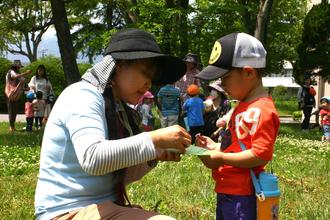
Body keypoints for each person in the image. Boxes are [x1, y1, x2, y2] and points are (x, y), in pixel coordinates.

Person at [34, 28, 191, 220]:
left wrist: (155, 154)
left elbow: (113, 176)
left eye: (152, 78)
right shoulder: (83, 95)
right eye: (145, 72)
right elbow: (93, 159)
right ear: (119, 66)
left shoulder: (118, 108)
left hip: (102, 207)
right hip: (65, 212)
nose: (149, 83)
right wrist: (153, 139)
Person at [195, 32, 280, 220]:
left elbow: (260, 153)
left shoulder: (261, 109)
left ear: (249, 72)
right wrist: (214, 146)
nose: (222, 85)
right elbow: (238, 144)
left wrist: (222, 158)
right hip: (227, 188)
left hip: (244, 193)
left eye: (225, 78)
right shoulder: (242, 105)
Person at [5, 60, 32, 132]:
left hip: (17, 95)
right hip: (10, 94)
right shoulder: (11, 72)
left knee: (15, 111)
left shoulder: (19, 74)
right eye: (18, 66)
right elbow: (15, 76)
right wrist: (26, 73)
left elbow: (20, 86)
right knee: (11, 110)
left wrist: (25, 88)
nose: (19, 68)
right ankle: (11, 127)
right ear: (15, 66)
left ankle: (13, 126)